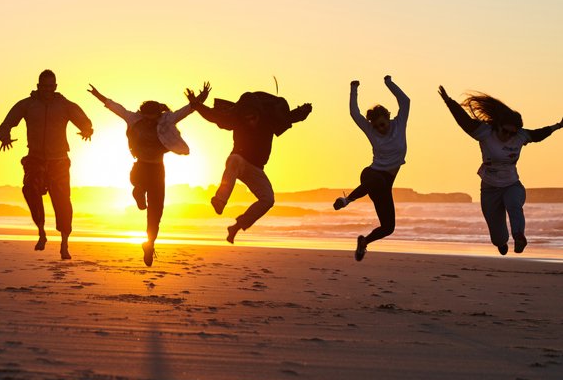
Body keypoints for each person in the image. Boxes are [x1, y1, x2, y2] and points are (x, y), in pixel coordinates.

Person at [439, 86, 563, 255]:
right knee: (497, 237)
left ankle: (519, 236)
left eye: (512, 133)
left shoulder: (520, 136)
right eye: (505, 131)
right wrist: (449, 102)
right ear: (498, 126)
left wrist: (558, 126)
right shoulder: (485, 133)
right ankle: (501, 242)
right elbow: (463, 121)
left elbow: (538, 134)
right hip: (489, 189)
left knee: (514, 204)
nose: (508, 135)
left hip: (512, 185)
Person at [87, 82, 209, 265]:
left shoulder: (166, 120)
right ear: (142, 113)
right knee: (138, 184)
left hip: (158, 170)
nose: (150, 121)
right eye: (147, 117)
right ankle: (138, 193)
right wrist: (99, 96)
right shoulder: (134, 119)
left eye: (153, 118)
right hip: (140, 166)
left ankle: (149, 244)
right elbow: (117, 108)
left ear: (158, 115)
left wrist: (199, 100)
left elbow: (185, 111)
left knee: (156, 213)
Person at [186, 86, 312, 244]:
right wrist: (197, 105)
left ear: (259, 113)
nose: (251, 122)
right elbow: (214, 116)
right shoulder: (235, 118)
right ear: (241, 116)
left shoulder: (269, 118)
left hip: (256, 169)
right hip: (239, 162)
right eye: (247, 119)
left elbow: (290, 117)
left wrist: (303, 111)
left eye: (253, 118)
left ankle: (237, 226)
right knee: (234, 160)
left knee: (268, 200)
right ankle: (220, 200)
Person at [0, 70, 93, 260]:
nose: (48, 90)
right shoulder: (27, 104)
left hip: (59, 160)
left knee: (63, 201)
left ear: (55, 87)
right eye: (44, 86)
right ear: (38, 86)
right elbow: (7, 123)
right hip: (35, 158)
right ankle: (41, 231)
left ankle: (64, 244)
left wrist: (87, 130)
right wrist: (4, 135)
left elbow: (84, 120)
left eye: (51, 86)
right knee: (30, 190)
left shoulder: (64, 105)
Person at [334, 75, 411, 261]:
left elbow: (405, 100)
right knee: (377, 180)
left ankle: (364, 242)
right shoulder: (370, 130)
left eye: (382, 124)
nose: (380, 129)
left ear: (388, 118)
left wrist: (389, 83)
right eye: (376, 127)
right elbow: (355, 113)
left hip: (384, 185)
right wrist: (354, 89)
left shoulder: (399, 123)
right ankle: (347, 200)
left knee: (388, 227)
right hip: (371, 175)